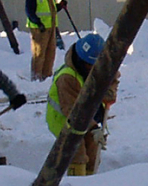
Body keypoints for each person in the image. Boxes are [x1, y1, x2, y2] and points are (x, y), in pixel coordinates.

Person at [47, 34, 119, 176]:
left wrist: (109, 91)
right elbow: (73, 110)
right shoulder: (67, 77)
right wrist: (93, 128)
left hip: (87, 117)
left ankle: (90, 181)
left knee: (92, 148)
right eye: (89, 65)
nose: (93, 69)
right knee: (76, 149)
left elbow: (113, 76)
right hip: (64, 119)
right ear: (81, 60)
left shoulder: (98, 66)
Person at [25, 0, 67, 81]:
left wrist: (60, 6)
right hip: (39, 29)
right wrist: (38, 23)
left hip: (50, 28)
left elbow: (51, 11)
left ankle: (46, 76)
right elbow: (29, 11)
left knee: (50, 53)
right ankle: (36, 77)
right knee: (39, 54)